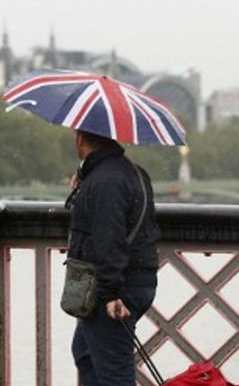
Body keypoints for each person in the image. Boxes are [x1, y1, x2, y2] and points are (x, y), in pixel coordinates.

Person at [66, 129, 160, 386]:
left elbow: (108, 238)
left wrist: (110, 294)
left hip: (115, 288)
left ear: (80, 139)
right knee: (86, 353)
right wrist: (85, 180)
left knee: (114, 376)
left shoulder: (105, 182)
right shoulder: (132, 173)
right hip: (138, 278)